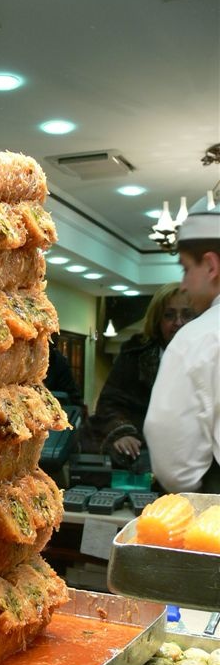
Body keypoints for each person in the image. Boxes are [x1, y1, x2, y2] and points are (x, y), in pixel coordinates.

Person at [144, 197, 220, 493]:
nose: (184, 284)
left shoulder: (198, 338)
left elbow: (175, 460)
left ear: (211, 266)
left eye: (186, 268)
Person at [81, 283, 194, 468]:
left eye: (187, 315)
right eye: (169, 315)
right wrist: (122, 432)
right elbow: (110, 402)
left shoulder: (213, 356)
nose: (178, 322)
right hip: (142, 456)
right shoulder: (134, 354)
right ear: (158, 320)